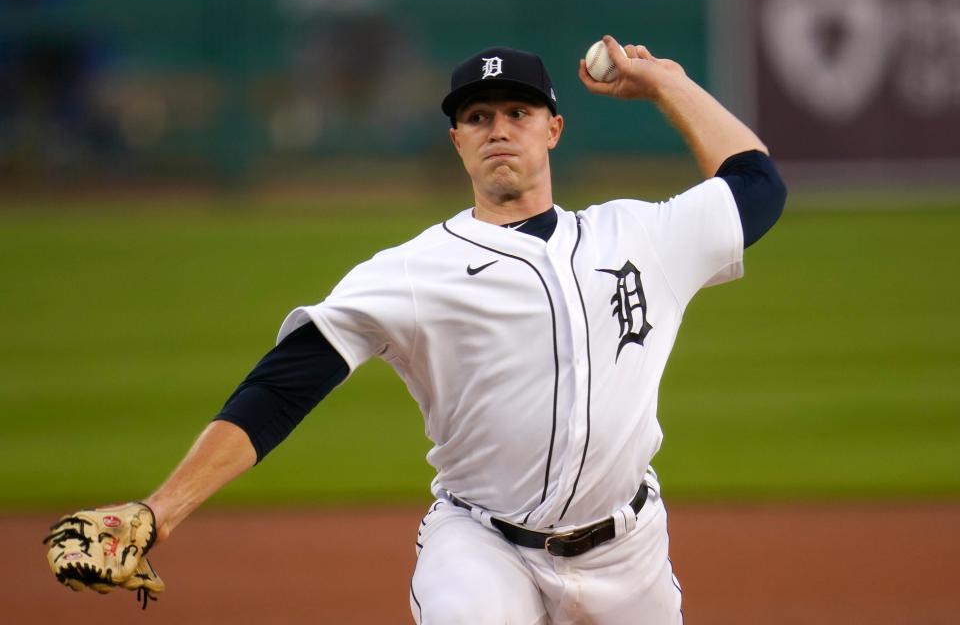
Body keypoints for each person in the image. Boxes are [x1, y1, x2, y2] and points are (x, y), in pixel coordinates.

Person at [48, 36, 786, 623]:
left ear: (553, 129)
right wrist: (160, 510)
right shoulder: (412, 269)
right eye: (477, 117)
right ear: (457, 142)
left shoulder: (639, 235)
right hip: (484, 549)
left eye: (518, 113)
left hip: (628, 554)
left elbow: (757, 185)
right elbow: (284, 384)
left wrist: (666, 84)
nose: (499, 129)